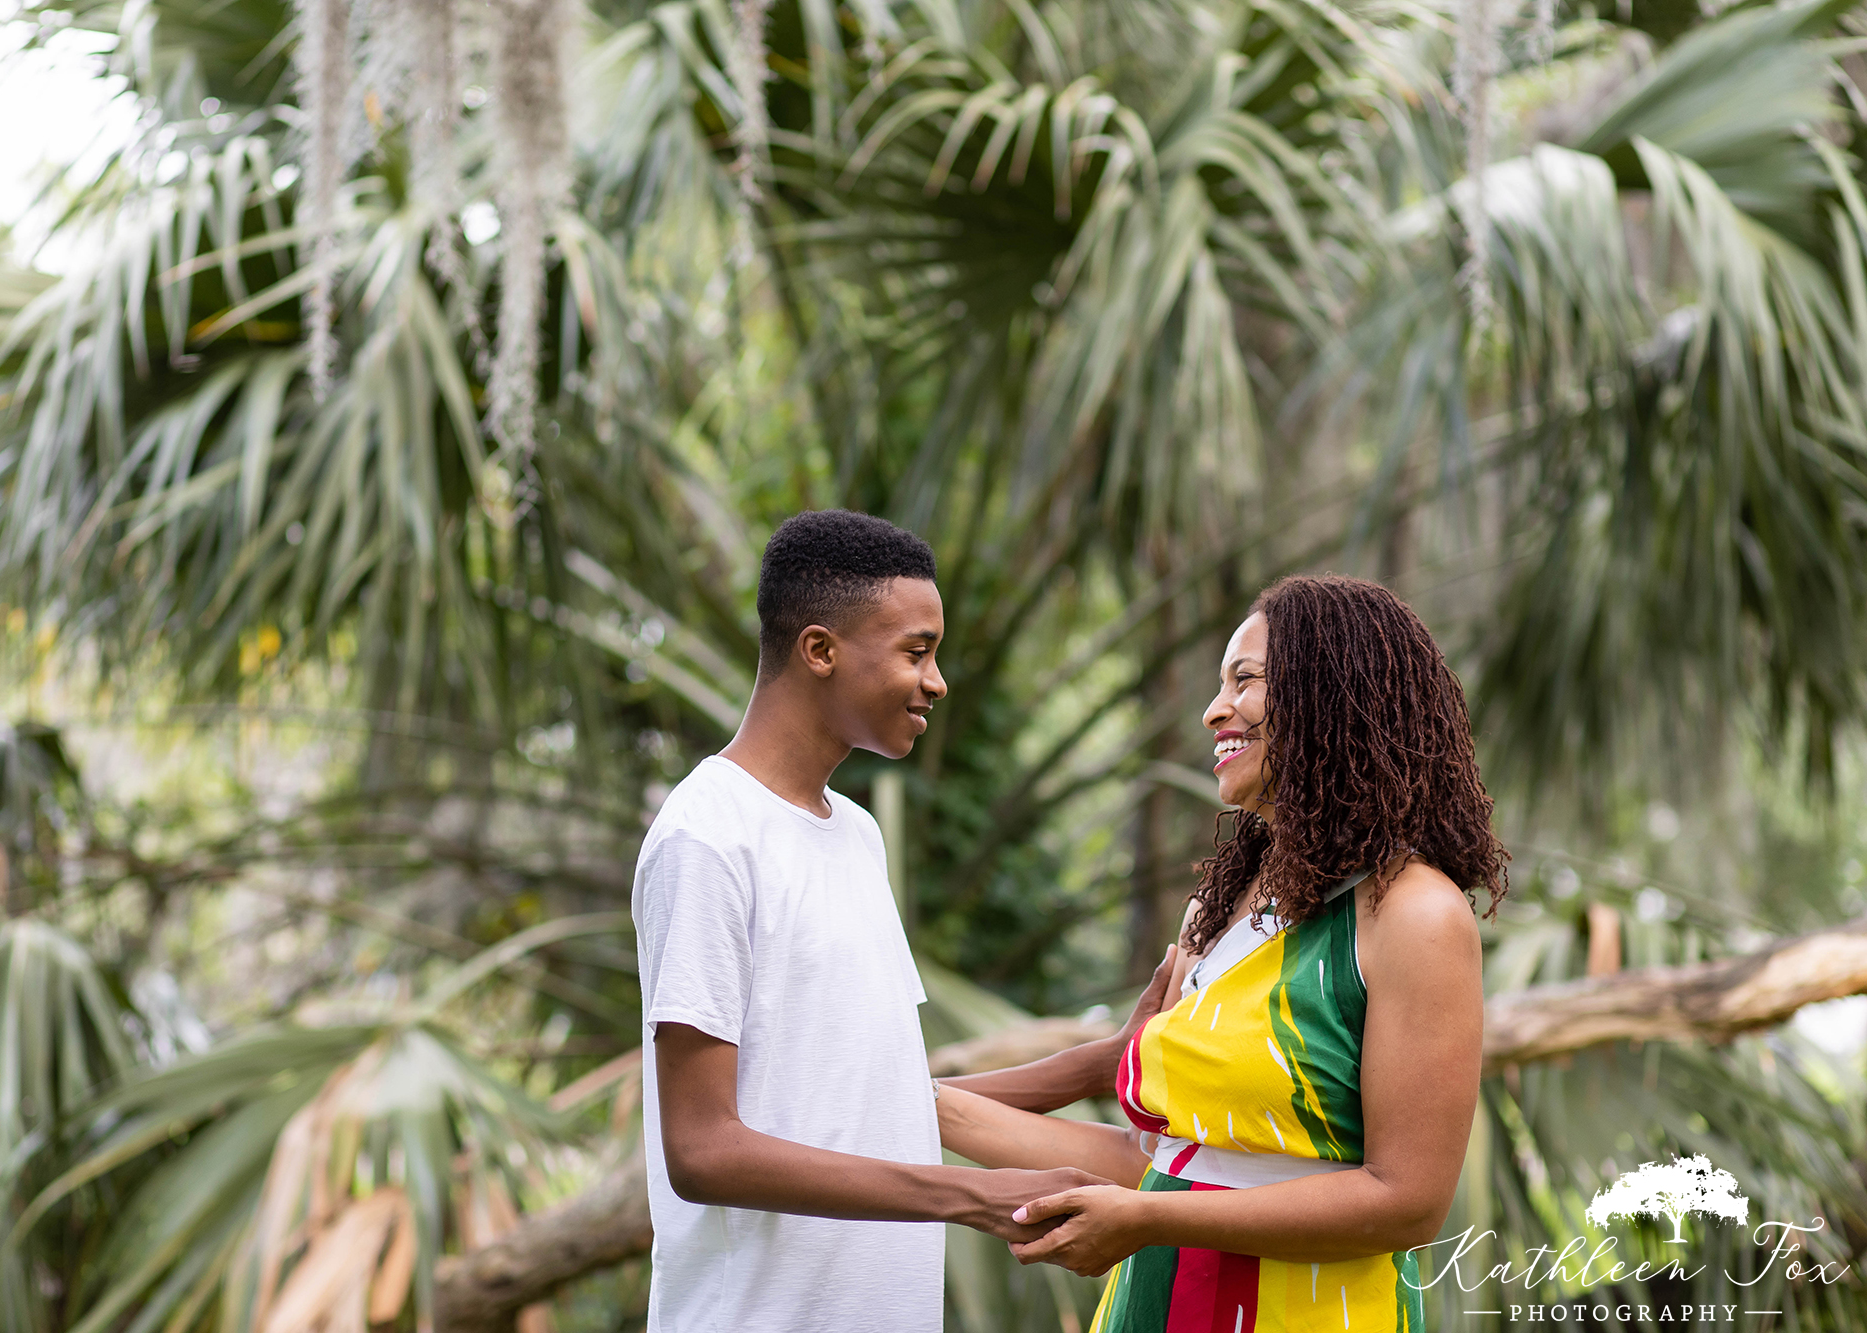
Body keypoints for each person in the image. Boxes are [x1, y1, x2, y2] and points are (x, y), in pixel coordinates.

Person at [934, 573, 1509, 1333]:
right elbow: (1166, 1166)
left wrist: (1150, 1221)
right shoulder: (1214, 913)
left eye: (1245, 681)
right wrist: (916, 1104)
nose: (1214, 710)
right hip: (1151, 1304)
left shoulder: (1413, 915)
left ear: (1332, 693)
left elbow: (1406, 1201)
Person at [635, 509, 1151, 1333]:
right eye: (917, 650)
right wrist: (974, 1194)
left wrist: (1096, 1066)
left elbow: (880, 1100)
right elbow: (702, 1149)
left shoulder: (857, 837)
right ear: (820, 650)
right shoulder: (708, 835)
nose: (937, 680)